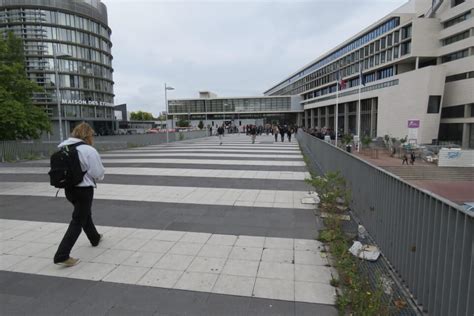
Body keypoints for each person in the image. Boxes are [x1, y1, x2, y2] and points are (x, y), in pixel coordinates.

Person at [53, 122, 105, 267]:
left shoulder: (63, 147)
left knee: (84, 214)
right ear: (88, 135)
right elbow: (97, 173)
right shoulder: (88, 150)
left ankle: (94, 238)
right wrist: (99, 176)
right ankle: (62, 255)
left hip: (69, 189)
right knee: (78, 220)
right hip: (84, 190)